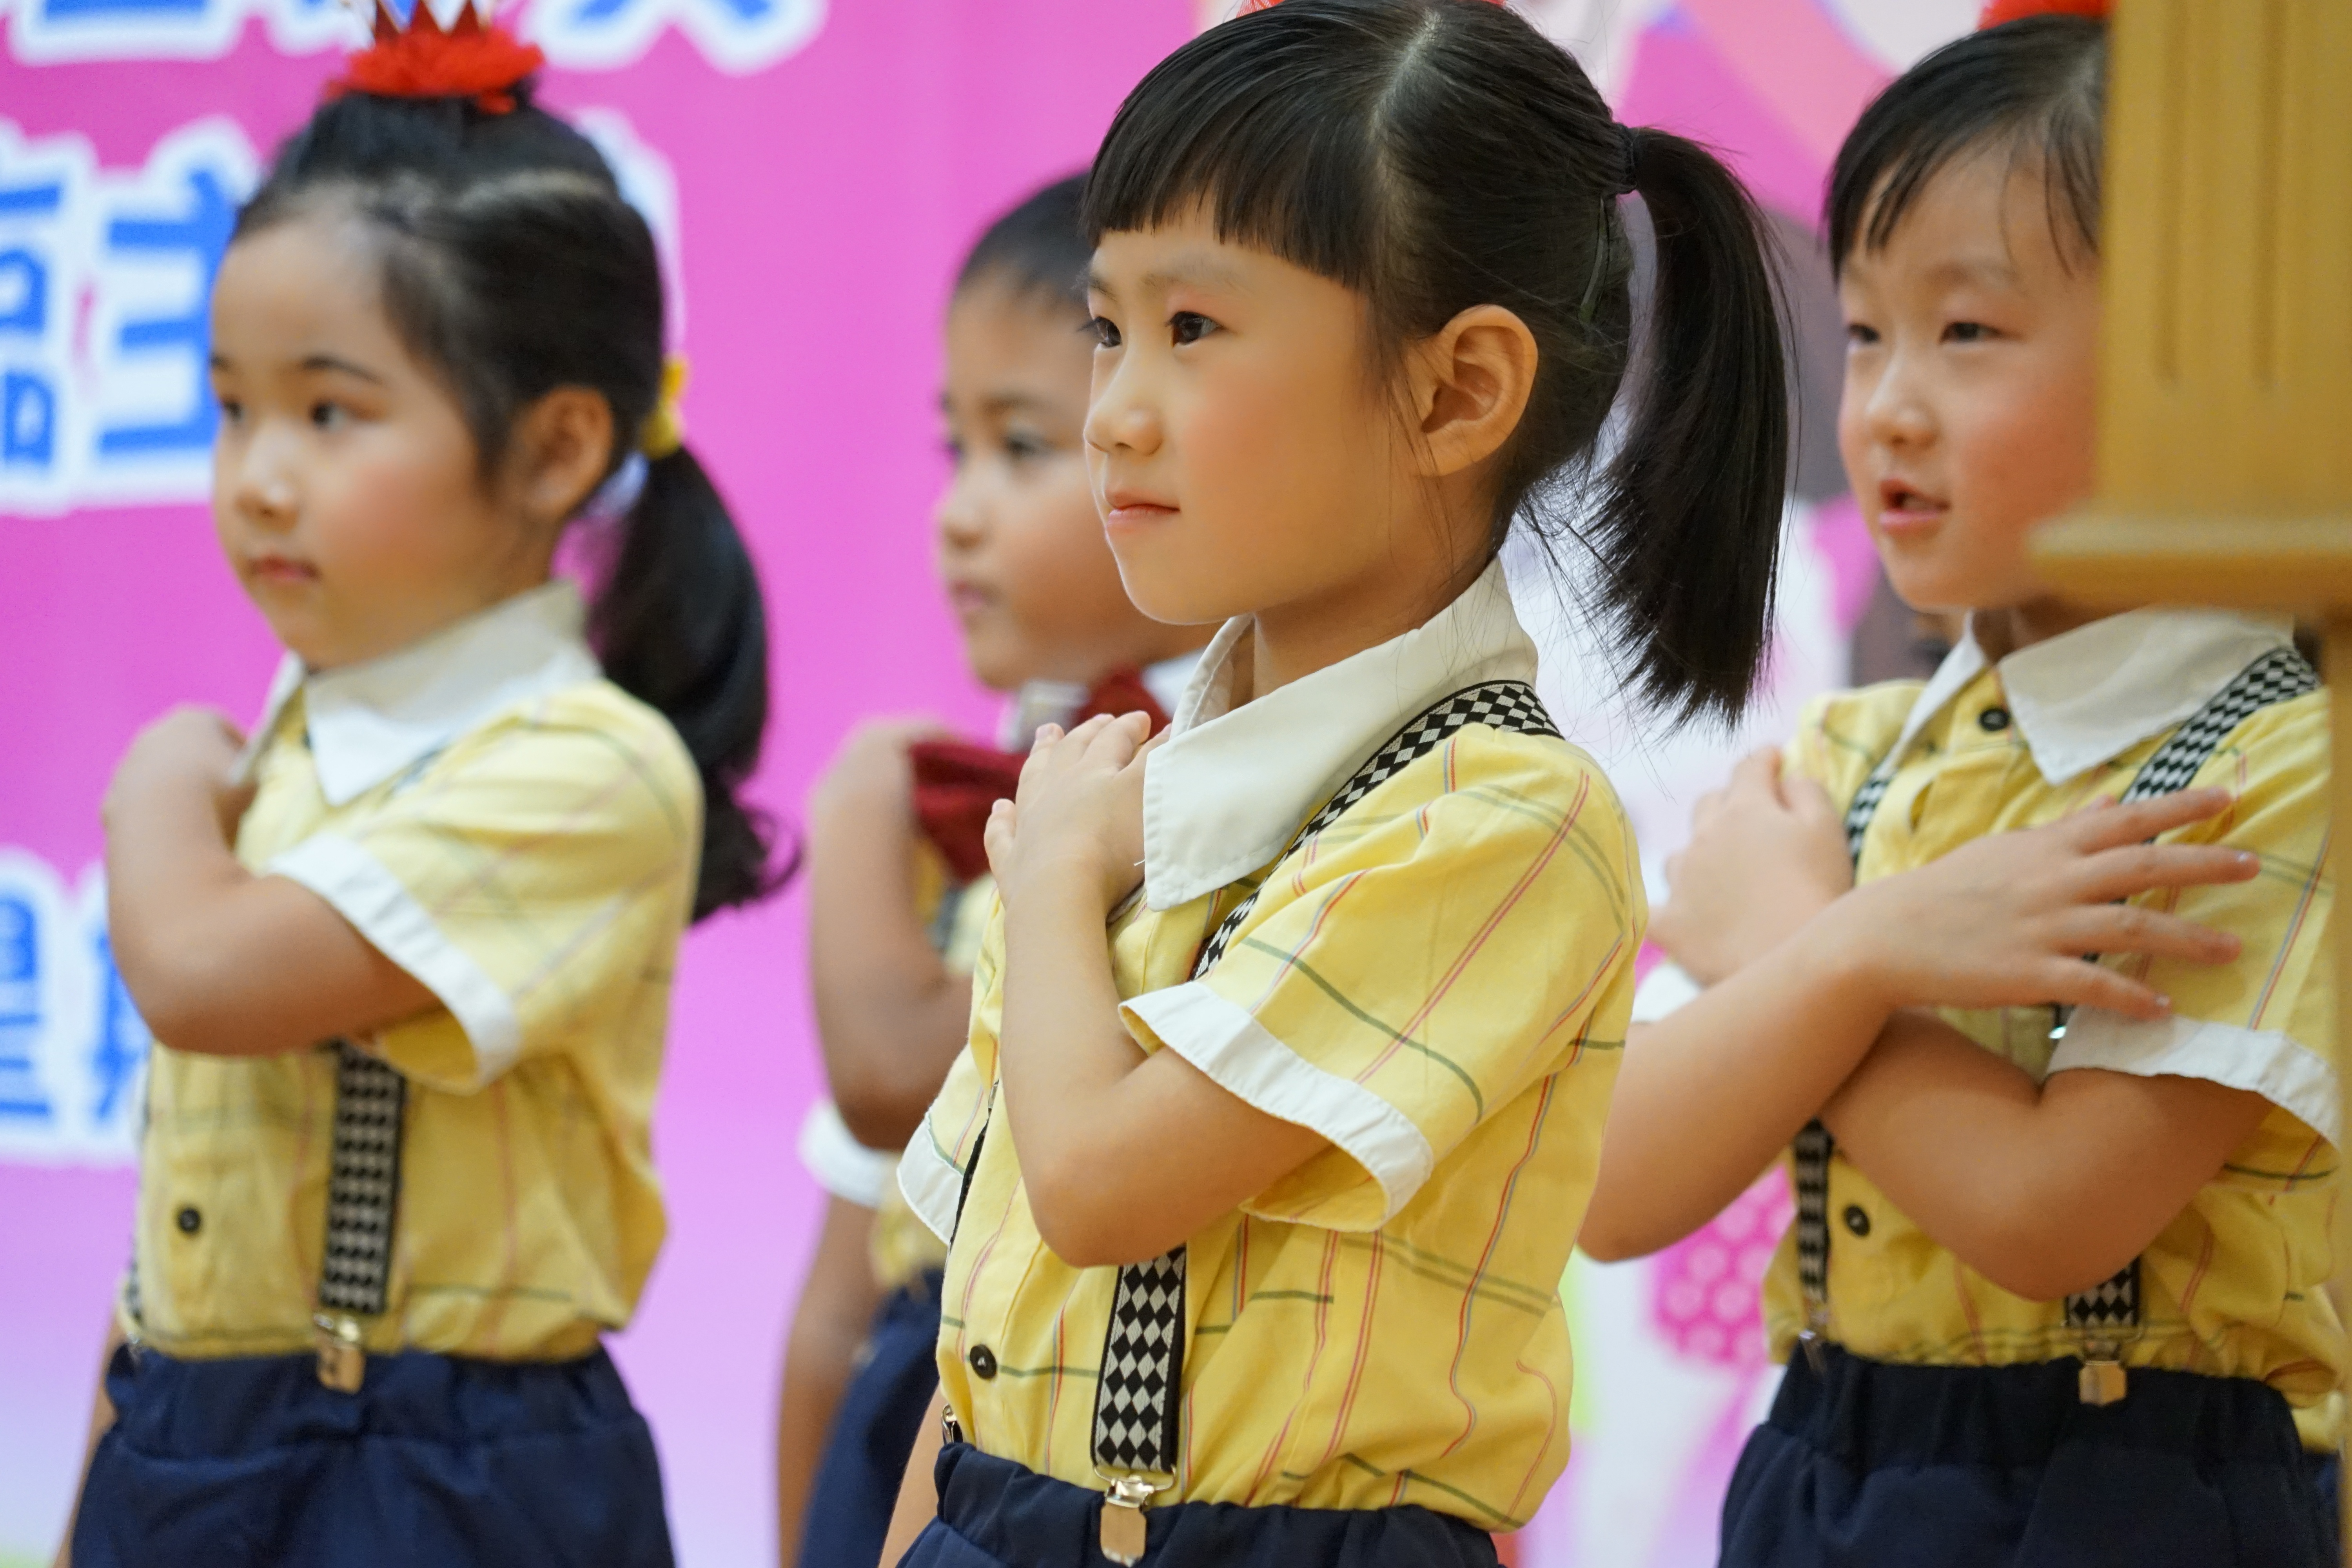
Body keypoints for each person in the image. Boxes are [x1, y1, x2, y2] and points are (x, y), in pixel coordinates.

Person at [878, 1, 1793, 1562]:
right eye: (1108, 329)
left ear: (1456, 393)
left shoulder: (1503, 818)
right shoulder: (1136, 793)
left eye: (1193, 329)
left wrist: (1052, 888)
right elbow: (987, 1325)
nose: (1114, 415)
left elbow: (1099, 1186)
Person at [1579, 11, 2339, 1566]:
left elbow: (2050, 1212)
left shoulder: (2276, 762)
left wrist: (1817, 951)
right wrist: (1847, 951)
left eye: (1969, 332)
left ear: (2191, 369)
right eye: (1867, 334)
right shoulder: (1850, 756)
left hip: (2126, 1494)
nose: (1889, 408)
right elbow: (1610, 1185)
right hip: (1820, 1472)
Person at [59, 9, 778, 1564]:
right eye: (232, 407)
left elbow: (201, 974)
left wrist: (154, 780)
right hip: (193, 1430)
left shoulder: (590, 768)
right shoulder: (295, 735)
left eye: (329, 411)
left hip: (434, 1475)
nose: (259, 476)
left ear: (556, 448)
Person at [779, 174, 1208, 1568]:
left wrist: (856, 812)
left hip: (1093, 1432)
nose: (959, 514)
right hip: (919, 1394)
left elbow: (889, 1068)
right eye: (954, 447)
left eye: (1023, 449)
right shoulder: (1011, 782)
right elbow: (855, 1249)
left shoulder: (1204, 786)